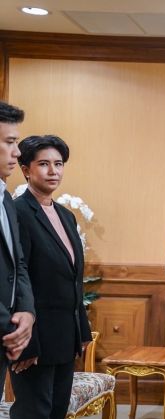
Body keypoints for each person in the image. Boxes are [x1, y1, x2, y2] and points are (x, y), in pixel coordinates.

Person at [9, 135, 92, 418]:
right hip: (35, 339)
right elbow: (18, 279)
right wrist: (26, 342)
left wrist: (82, 330)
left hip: (65, 337)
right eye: (44, 164)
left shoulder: (66, 216)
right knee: (34, 412)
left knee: (57, 412)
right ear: (26, 169)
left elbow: (73, 279)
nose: (53, 171)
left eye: (58, 164)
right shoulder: (17, 212)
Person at [0, 102, 35, 399]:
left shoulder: (7, 200)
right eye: (10, 142)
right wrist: (9, 328)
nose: (17, 152)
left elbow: (18, 264)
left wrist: (26, 313)